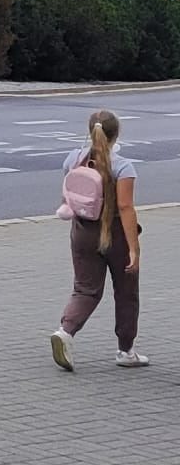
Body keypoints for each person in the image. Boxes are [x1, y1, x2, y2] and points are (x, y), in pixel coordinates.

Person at [50, 108, 148, 372]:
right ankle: (126, 351)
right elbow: (125, 208)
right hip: (114, 234)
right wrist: (134, 249)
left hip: (82, 231)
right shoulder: (123, 167)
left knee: (85, 289)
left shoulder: (74, 159)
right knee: (126, 293)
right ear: (116, 134)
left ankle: (65, 332)